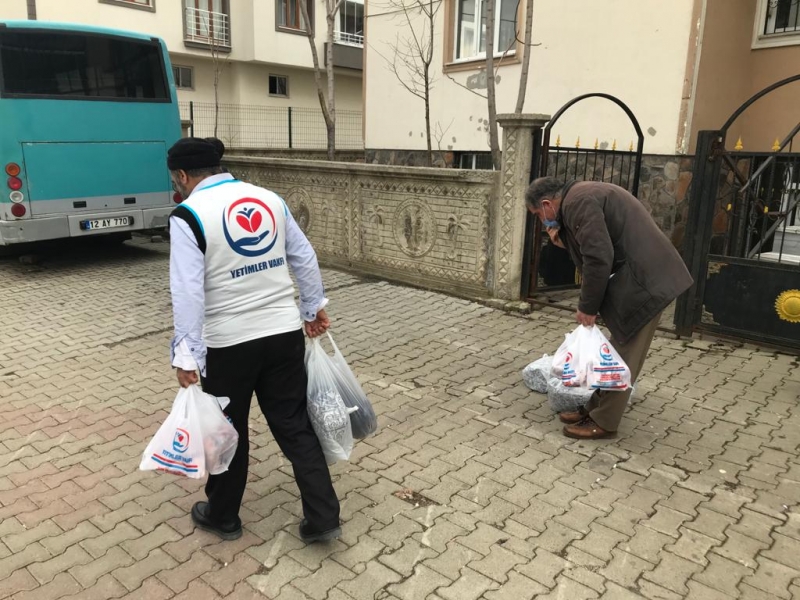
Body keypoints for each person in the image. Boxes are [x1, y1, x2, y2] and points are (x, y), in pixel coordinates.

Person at [167, 137, 341, 542]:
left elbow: (187, 290)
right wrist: (312, 307)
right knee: (294, 424)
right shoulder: (267, 199)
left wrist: (187, 354)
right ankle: (323, 516)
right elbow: (304, 255)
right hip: (282, 335)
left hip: (228, 344)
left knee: (227, 428)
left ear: (181, 175)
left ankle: (224, 515)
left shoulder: (188, 214)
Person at [525, 177, 693, 440]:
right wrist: (563, 238)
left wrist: (587, 307)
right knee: (614, 351)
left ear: (547, 204)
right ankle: (594, 408)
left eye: (538, 214)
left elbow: (598, 256)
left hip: (648, 282)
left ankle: (604, 422)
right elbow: (593, 245)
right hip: (643, 278)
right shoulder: (578, 198)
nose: (541, 220)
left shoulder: (578, 202)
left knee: (624, 356)